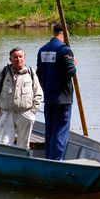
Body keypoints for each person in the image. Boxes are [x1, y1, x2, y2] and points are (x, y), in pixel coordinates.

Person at [36, 23, 76, 161]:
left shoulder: (42, 50)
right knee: (61, 130)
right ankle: (56, 160)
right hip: (63, 98)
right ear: (65, 33)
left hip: (49, 97)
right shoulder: (65, 50)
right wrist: (74, 63)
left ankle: (49, 158)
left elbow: (39, 74)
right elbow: (71, 71)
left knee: (50, 130)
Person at [0, 47, 43, 149]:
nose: (18, 59)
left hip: (25, 114)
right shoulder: (3, 72)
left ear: (24, 58)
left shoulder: (31, 73)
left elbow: (39, 94)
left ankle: (22, 163)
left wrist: (32, 111)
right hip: (7, 113)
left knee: (23, 146)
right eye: (15, 57)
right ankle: (5, 163)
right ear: (10, 59)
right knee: (4, 143)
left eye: (20, 57)